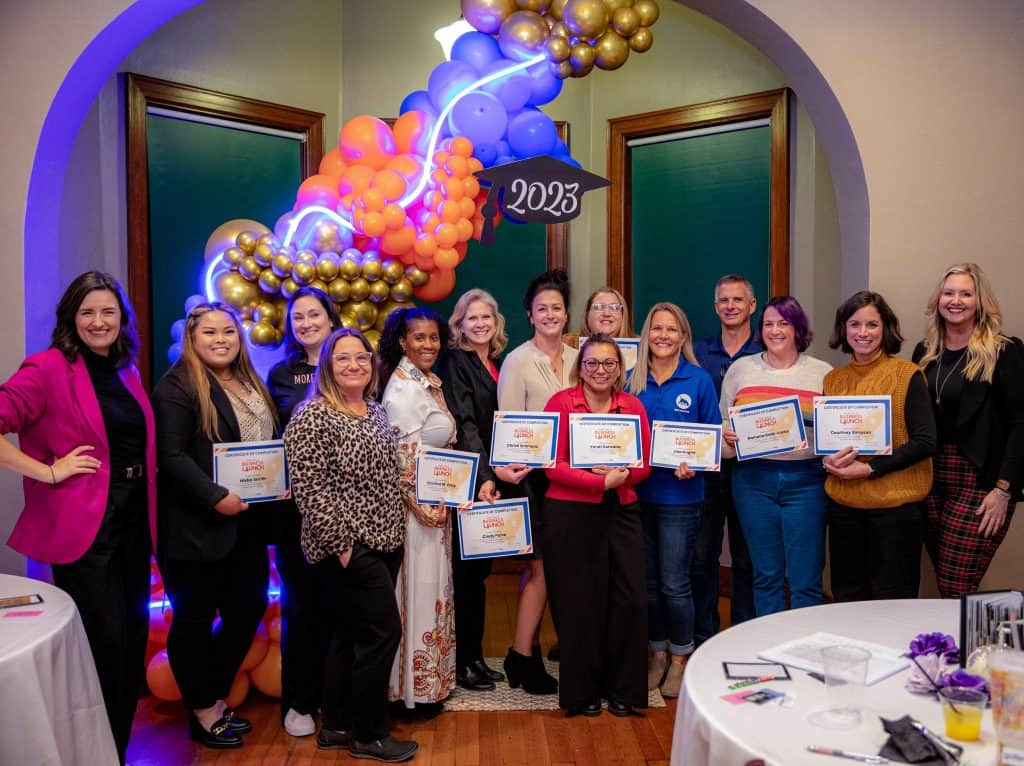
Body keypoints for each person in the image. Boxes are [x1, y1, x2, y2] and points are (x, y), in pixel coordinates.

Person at [0, 271, 155, 764]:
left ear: (121, 320)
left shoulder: (126, 371)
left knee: (131, 649)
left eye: (108, 311)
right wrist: (46, 471)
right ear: (71, 318)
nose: (98, 321)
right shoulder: (46, 368)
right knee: (103, 651)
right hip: (87, 530)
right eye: (87, 312)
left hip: (133, 524)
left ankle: (116, 753)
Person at [283, 328, 417, 763]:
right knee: (383, 632)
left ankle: (338, 724)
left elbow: (384, 473)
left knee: (350, 634)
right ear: (327, 366)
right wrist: (343, 547)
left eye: (361, 357)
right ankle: (369, 732)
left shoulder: (375, 412)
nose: (354, 366)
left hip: (385, 541)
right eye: (343, 359)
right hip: (346, 547)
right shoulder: (312, 416)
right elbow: (311, 490)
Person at [152, 302, 275, 749]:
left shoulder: (247, 381)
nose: (221, 339)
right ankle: (203, 710)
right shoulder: (178, 387)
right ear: (192, 338)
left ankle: (212, 695)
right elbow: (170, 458)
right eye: (210, 332)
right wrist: (214, 496)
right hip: (195, 531)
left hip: (245, 526)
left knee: (248, 609)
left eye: (229, 331)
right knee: (194, 621)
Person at [543, 334, 651, 717]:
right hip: (570, 512)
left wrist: (621, 477)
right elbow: (550, 462)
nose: (600, 371)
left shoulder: (632, 406)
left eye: (608, 364)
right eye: (592, 363)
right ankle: (583, 692)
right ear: (581, 367)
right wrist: (597, 482)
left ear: (620, 369)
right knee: (579, 604)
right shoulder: (561, 403)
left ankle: (623, 690)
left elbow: (644, 464)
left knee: (629, 600)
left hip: (621, 510)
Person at [913, 263, 1023, 597]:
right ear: (938, 299)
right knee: (946, 583)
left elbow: (1022, 424)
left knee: (956, 583)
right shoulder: (925, 352)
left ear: (979, 301)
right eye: (949, 292)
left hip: (979, 480)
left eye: (965, 293)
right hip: (930, 478)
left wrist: (1004, 490)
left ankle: (973, 650)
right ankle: (961, 649)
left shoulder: (1003, 351)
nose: (955, 300)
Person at [438, 289, 528, 692]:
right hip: (474, 481)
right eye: (471, 318)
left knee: (479, 574)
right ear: (460, 324)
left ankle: (474, 656)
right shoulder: (457, 361)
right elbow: (465, 422)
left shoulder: (494, 363)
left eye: (486, 318)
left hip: (495, 478)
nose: (479, 324)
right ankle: (461, 662)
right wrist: (486, 475)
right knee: (466, 576)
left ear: (496, 323)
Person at [628, 303, 720, 698]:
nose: (664, 336)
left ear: (684, 337)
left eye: (673, 330)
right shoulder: (631, 380)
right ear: (647, 334)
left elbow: (712, 438)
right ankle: (657, 653)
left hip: (681, 497)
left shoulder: (698, 380)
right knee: (646, 583)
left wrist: (695, 465)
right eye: (657, 329)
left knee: (674, 583)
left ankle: (681, 656)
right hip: (635, 493)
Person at [720, 295, 831, 616]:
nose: (775, 330)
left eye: (783, 323)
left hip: (807, 482)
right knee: (766, 576)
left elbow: (833, 433)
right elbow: (724, 432)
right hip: (753, 482)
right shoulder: (741, 370)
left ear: (799, 328)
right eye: (768, 324)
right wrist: (728, 439)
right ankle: (768, 654)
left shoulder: (823, 373)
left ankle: (803, 651)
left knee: (805, 578)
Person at [823, 291, 936, 600]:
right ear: (843, 329)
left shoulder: (906, 376)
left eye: (872, 324)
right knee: (848, 598)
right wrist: (827, 460)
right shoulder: (833, 380)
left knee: (892, 603)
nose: (862, 333)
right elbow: (831, 440)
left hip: (895, 513)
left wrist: (870, 469)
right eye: (854, 324)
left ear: (886, 328)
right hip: (844, 510)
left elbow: (925, 442)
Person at [496, 268, 577, 694]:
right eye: (542, 308)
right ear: (529, 314)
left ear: (567, 314)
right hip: (532, 482)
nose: (550, 315)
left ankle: (530, 653)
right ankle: (521, 656)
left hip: (575, 480)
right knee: (539, 570)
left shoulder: (580, 357)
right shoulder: (517, 360)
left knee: (558, 571)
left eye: (557, 308)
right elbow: (507, 425)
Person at [266, 286, 341, 736]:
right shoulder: (280, 375)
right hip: (295, 511)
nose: (307, 323)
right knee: (301, 607)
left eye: (315, 315)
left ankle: (337, 698)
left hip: (349, 509)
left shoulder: (352, 363)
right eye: (299, 318)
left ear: (331, 319)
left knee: (342, 606)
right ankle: (299, 701)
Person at [379, 307, 457, 713]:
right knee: (417, 593)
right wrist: (420, 505)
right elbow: (401, 457)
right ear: (402, 341)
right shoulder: (402, 389)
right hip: (416, 512)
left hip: (435, 503)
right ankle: (410, 691)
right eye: (419, 337)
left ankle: (429, 684)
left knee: (433, 592)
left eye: (433, 337)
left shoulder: (426, 381)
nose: (428, 344)